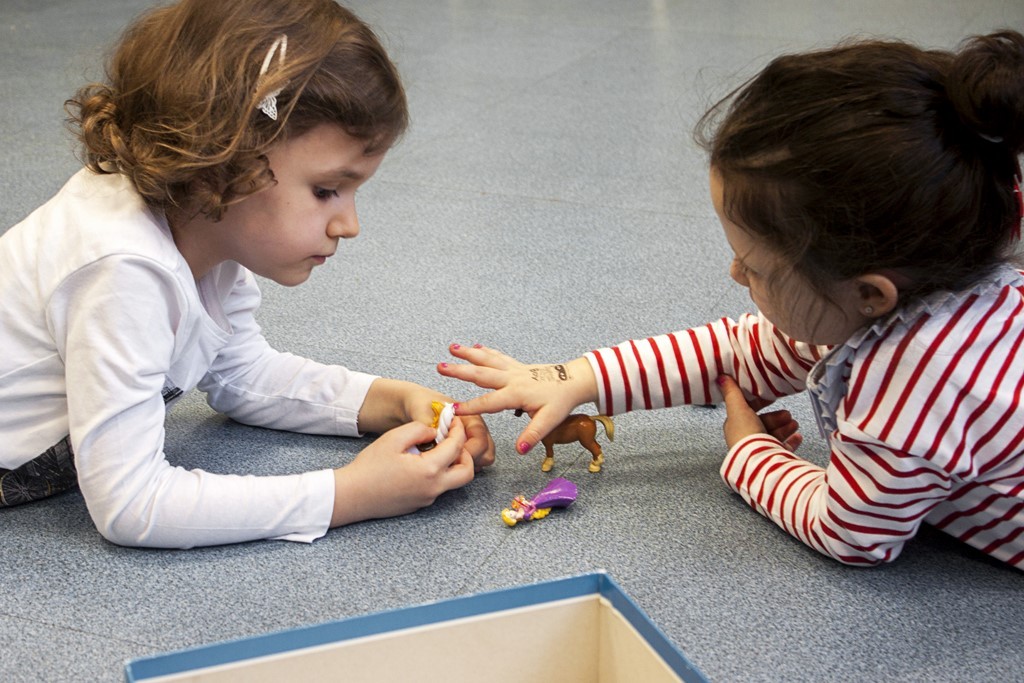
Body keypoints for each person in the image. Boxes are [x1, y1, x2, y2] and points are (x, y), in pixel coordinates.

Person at [439, 30, 1024, 569]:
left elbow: (853, 534)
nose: (735, 272)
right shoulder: (923, 277)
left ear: (870, 292)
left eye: (757, 268)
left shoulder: (917, 383)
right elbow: (743, 350)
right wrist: (576, 377)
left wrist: (748, 454)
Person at [0, 0, 495, 549]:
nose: (350, 224)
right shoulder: (124, 267)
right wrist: (349, 493)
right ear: (223, 161)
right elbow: (132, 504)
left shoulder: (202, 225)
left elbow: (241, 376)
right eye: (327, 190)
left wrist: (392, 401)